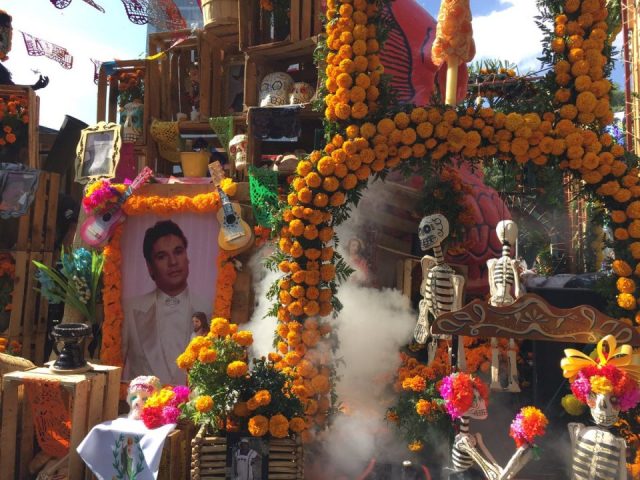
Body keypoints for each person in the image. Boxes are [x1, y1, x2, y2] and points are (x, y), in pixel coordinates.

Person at [122, 220, 211, 384]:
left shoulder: (210, 309)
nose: (173, 262)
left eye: (178, 252)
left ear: (187, 257)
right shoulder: (129, 310)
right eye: (162, 256)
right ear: (150, 267)